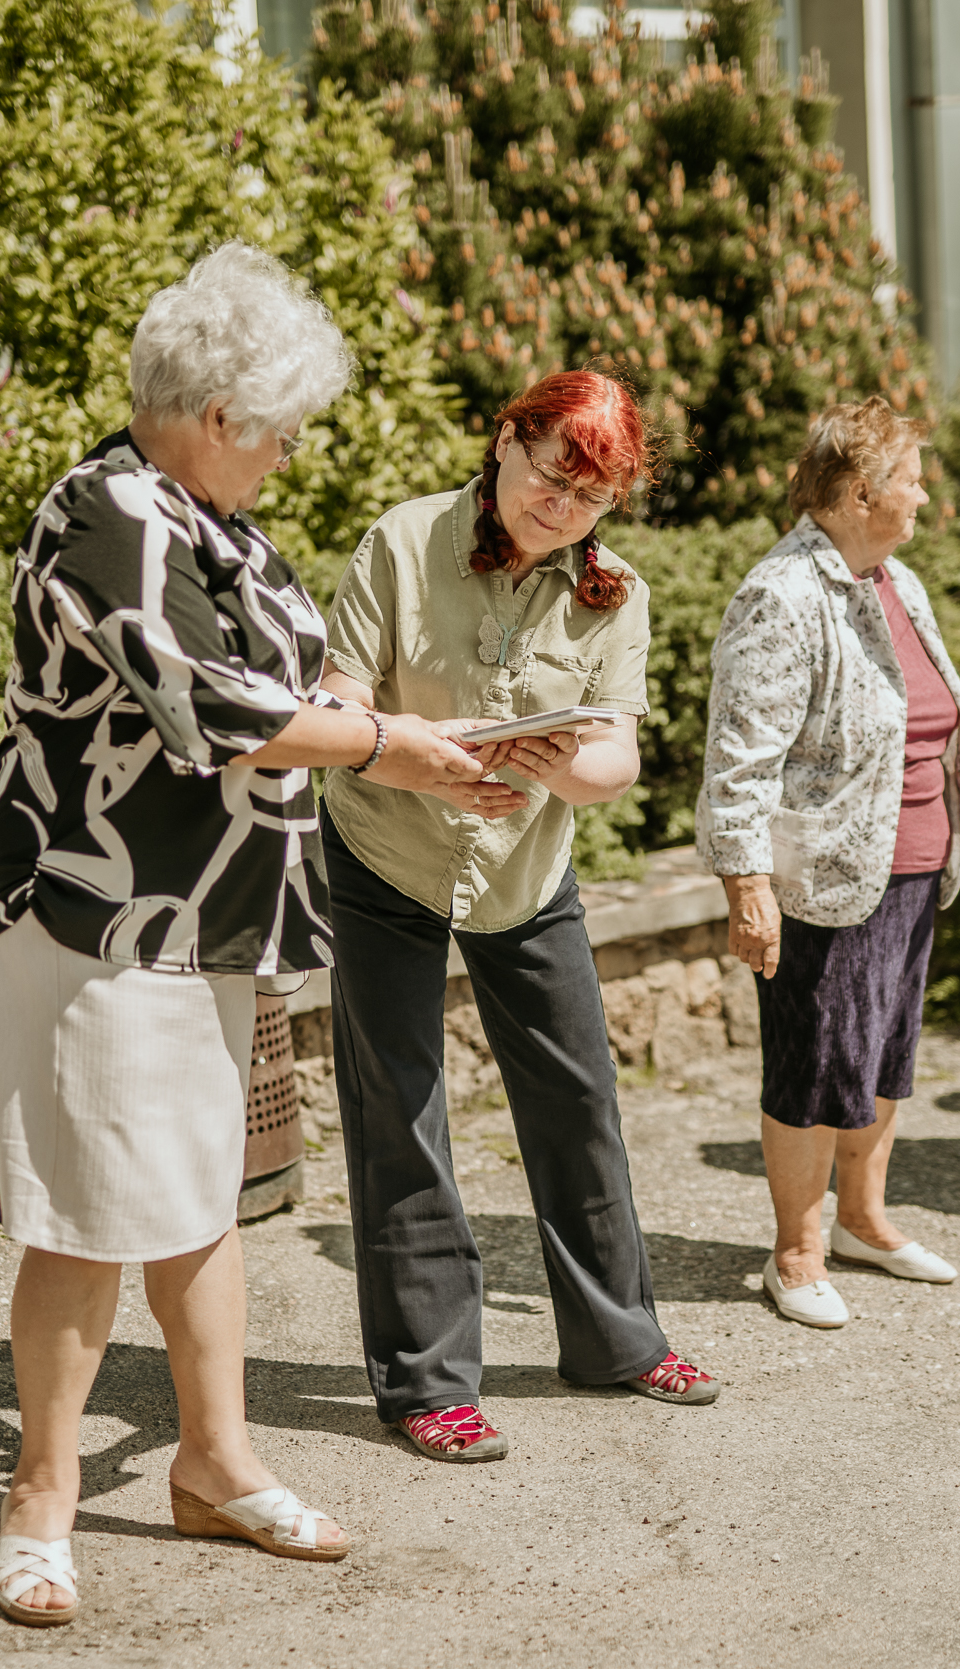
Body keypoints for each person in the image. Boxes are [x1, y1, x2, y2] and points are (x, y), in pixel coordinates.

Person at [0, 244, 486, 1622]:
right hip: (92, 906)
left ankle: (215, 1462)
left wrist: (411, 726)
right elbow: (215, 709)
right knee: (89, 1215)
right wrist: (388, 747)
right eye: (283, 428)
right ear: (216, 415)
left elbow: (296, 680)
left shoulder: (210, 520)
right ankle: (40, 1495)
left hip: (199, 914)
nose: (290, 452)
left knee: (200, 1197)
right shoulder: (112, 513)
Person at [318, 368, 720, 1463]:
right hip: (385, 850)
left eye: (593, 498)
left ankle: (618, 1343)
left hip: (525, 868)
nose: (565, 508)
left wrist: (562, 764)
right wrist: (422, 762)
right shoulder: (400, 543)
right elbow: (338, 709)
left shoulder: (616, 592)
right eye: (553, 477)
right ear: (506, 441)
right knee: (402, 1113)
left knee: (578, 1101)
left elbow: (616, 759)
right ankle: (427, 1384)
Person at [699, 398, 960, 1329]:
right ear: (858, 494)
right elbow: (739, 758)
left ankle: (862, 1221)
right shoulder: (782, 594)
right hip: (825, 877)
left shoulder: (893, 577)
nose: (923, 496)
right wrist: (747, 885)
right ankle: (796, 1252)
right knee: (812, 1066)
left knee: (884, 1049)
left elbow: (920, 704)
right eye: (911, 480)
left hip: (914, 860)